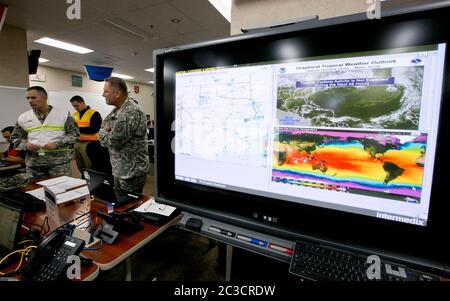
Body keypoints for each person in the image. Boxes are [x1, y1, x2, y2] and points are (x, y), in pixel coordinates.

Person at [11, 86, 79, 180]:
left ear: (45, 97)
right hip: (34, 163)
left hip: (58, 162)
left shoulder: (62, 114)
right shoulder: (24, 117)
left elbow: (74, 134)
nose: (30, 101)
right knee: (36, 191)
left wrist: (57, 143)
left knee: (61, 189)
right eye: (28, 98)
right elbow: (15, 138)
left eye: (33, 97)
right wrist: (26, 145)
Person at [99, 77, 149, 194]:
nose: (103, 95)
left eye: (106, 91)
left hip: (131, 172)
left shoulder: (130, 111)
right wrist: (105, 130)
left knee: (128, 207)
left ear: (117, 93)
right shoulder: (117, 110)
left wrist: (103, 132)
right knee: (120, 205)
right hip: (120, 169)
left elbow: (112, 142)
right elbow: (104, 124)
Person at [70, 95, 102, 172]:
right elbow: (71, 129)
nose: (75, 108)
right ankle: (84, 181)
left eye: (76, 105)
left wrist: (77, 129)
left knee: (89, 166)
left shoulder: (94, 113)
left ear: (82, 103)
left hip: (89, 144)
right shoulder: (74, 115)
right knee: (80, 166)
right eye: (73, 106)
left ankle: (91, 182)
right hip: (77, 143)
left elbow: (94, 129)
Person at [0, 126, 28, 191]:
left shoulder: (22, 144)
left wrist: (3, 158)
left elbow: (22, 160)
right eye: (5, 137)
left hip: (23, 170)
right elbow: (7, 154)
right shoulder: (12, 144)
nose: (6, 139)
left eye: (8, 137)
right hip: (15, 168)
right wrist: (2, 155)